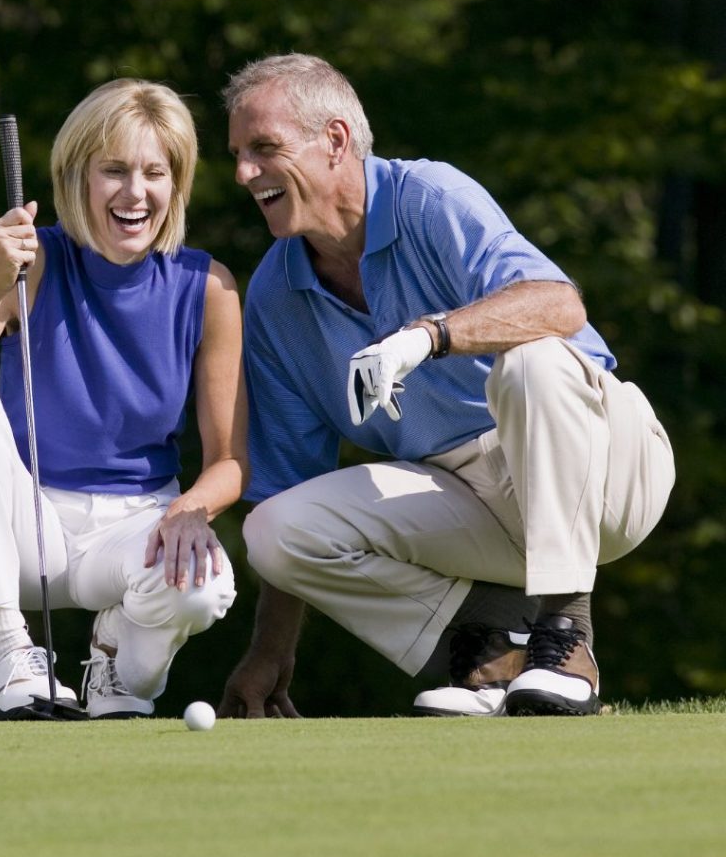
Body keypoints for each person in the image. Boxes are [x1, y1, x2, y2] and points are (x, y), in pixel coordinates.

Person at [217, 53, 675, 718]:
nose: (243, 173)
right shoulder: (274, 296)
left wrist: (424, 337)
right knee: (275, 529)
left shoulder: (428, 195)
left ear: (336, 141)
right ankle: (494, 647)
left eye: (264, 149)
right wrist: (270, 651)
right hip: (467, 499)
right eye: (237, 154)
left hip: (605, 469)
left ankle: (568, 633)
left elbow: (560, 306)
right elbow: (287, 482)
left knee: (533, 362)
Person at [0, 79, 247, 720]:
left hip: (140, 527)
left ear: (177, 183)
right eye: (114, 170)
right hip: (21, 533)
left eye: (154, 172)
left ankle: (116, 661)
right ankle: (8, 653)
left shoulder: (210, 286)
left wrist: (192, 508)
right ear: (77, 177)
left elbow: (229, 461)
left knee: (206, 588)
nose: (135, 193)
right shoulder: (35, 261)